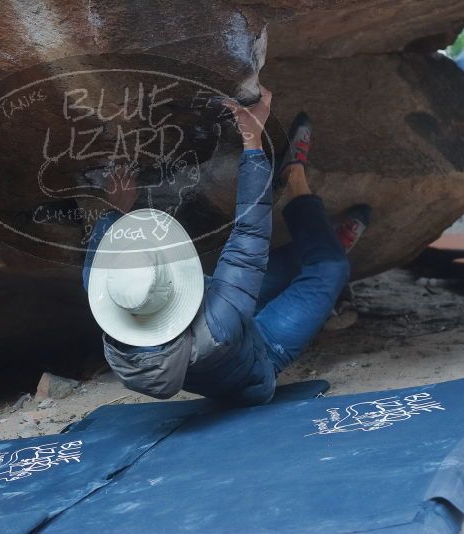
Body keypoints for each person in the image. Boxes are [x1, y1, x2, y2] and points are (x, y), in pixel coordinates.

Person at [81, 86, 371, 406]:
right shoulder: (216, 326)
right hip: (263, 353)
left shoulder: (118, 300)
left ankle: (325, 246)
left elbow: (100, 260)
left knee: (284, 266)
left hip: (228, 319)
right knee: (330, 267)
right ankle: (296, 184)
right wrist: (253, 140)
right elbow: (249, 236)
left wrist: (116, 209)